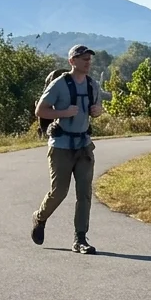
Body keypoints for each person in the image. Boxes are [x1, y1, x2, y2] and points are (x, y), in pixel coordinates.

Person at [31, 44, 107, 253]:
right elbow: (41, 110)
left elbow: (97, 110)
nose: (87, 62)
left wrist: (98, 111)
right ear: (72, 61)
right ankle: (40, 217)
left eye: (89, 58)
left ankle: (80, 239)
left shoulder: (93, 85)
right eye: (83, 58)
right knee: (59, 192)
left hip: (83, 146)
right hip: (61, 146)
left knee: (84, 193)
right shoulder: (59, 84)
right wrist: (63, 113)